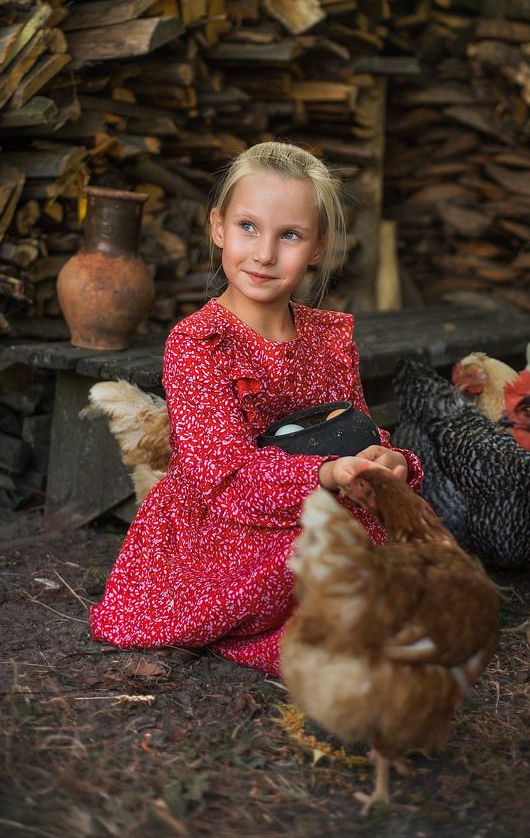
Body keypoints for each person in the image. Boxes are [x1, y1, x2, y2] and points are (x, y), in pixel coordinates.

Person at [89, 142, 422, 677]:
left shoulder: (328, 339)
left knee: (394, 541)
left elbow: (358, 429)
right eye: (248, 226)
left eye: (289, 235)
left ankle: (332, 624)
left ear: (317, 248)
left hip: (319, 500)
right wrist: (328, 473)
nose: (264, 253)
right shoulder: (200, 342)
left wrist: (389, 462)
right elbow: (224, 480)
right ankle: (276, 639)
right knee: (304, 557)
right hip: (222, 523)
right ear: (217, 227)